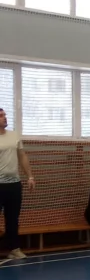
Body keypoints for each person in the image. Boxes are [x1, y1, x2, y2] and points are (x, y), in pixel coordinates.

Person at [0, 108, 34, 260]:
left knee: (13, 218)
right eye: (1, 116)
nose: (4, 118)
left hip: (14, 185)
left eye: (5, 115)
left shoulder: (14, 135)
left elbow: (22, 156)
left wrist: (30, 176)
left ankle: (14, 249)